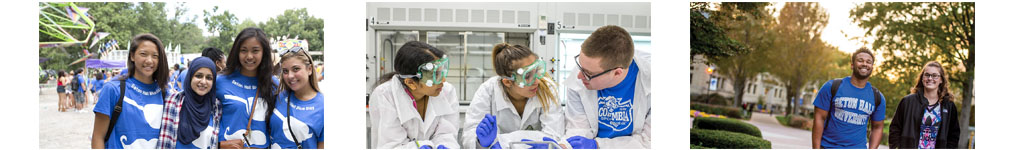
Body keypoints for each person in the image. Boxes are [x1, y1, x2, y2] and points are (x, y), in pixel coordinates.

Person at [563, 25, 652, 149]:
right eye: (580, 67)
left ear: (617, 73)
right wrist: (563, 146)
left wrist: (598, 145)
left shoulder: (650, 79)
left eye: (588, 74)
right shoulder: (582, 74)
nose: (579, 76)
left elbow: (648, 141)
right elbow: (578, 129)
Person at [461, 43, 565, 149]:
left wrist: (501, 142)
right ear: (507, 82)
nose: (537, 81)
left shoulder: (547, 88)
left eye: (537, 70)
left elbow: (554, 135)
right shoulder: (488, 91)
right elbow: (469, 135)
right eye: (527, 76)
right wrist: (480, 142)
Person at [369, 41, 459, 149]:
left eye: (441, 72)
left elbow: (447, 133)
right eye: (435, 75)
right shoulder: (385, 96)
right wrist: (420, 147)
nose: (443, 80)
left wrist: (444, 145)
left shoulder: (446, 91)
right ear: (411, 83)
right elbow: (391, 144)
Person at [91, 33, 171, 149]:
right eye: (143, 54)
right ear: (132, 56)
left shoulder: (165, 94)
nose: (149, 61)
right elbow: (98, 137)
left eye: (155, 56)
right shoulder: (113, 89)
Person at [215, 27, 279, 149]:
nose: (249, 56)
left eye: (255, 51)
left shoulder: (273, 84)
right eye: (243, 50)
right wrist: (218, 145)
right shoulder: (220, 81)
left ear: (263, 53)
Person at [811, 47, 887, 149]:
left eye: (868, 62)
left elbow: (877, 127)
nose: (864, 64)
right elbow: (819, 118)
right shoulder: (831, 87)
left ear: (872, 67)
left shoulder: (878, 97)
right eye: (860, 60)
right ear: (852, 65)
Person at [888, 61, 961, 149]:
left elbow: (953, 135)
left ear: (941, 79)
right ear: (922, 78)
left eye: (934, 75)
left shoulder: (948, 105)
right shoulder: (907, 102)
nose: (930, 78)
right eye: (927, 75)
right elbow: (895, 128)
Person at [156, 57, 223, 149]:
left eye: (209, 78)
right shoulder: (172, 101)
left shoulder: (216, 106)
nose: (203, 82)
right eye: (198, 76)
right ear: (190, 77)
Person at [269, 47, 325, 149]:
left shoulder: (323, 106)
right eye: (285, 71)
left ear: (309, 69)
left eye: (296, 69)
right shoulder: (278, 96)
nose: (290, 76)